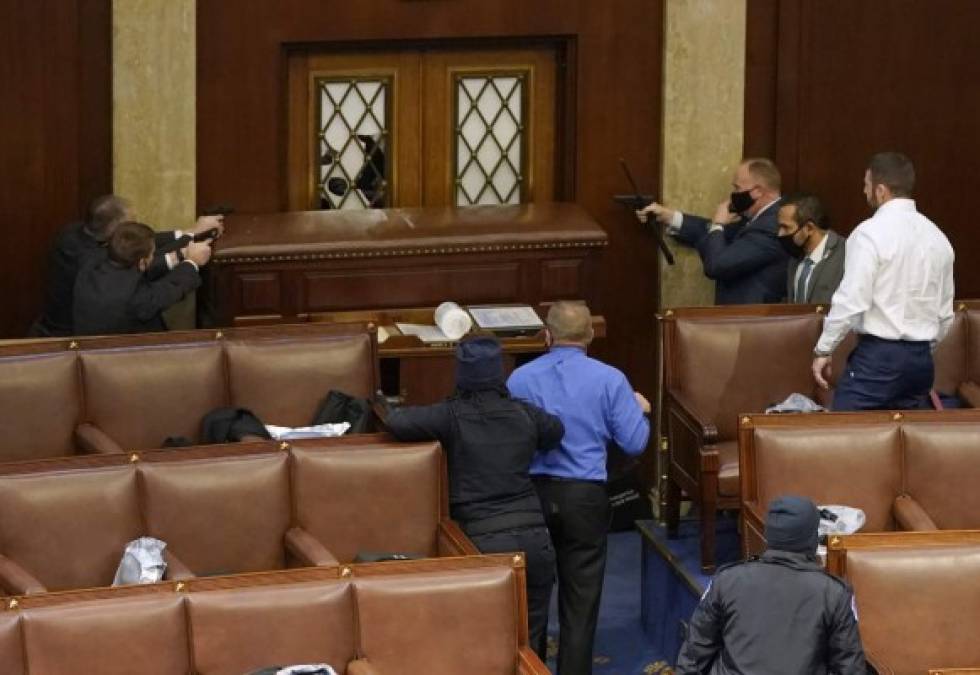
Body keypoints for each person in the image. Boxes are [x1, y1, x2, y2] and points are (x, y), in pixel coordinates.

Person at [381, 335, 562, 661]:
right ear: (499, 373)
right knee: (532, 644)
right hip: (535, 539)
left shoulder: (450, 416)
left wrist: (381, 402)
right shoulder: (524, 414)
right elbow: (555, 431)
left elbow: (397, 422)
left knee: (484, 642)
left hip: (481, 540)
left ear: (461, 374)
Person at [507, 301, 650, 675]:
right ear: (589, 335)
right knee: (581, 600)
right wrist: (641, 411)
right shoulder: (610, 379)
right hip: (584, 498)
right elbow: (634, 444)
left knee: (532, 598)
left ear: (546, 336)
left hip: (531, 497)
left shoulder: (518, 380)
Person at [812, 152, 955, 410]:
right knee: (906, 443)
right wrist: (918, 348)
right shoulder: (939, 238)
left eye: (866, 186)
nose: (864, 192)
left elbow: (852, 299)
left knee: (844, 438)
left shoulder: (869, 234)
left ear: (880, 191)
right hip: (921, 361)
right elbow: (945, 315)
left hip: (879, 358)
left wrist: (824, 350)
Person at [675, 495, 866, 674]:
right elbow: (850, 668)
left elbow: (693, 656)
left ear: (768, 535)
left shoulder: (727, 580)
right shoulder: (834, 593)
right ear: (812, 538)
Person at [30, 194, 224, 337]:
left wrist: (189, 234)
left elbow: (137, 245)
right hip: (73, 340)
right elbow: (165, 290)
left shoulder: (78, 237)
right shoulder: (89, 262)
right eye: (132, 224)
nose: (135, 228)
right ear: (115, 234)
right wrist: (190, 260)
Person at [637, 158, 789, 304]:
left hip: (752, 322)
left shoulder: (772, 225)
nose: (733, 194)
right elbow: (714, 234)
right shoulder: (757, 218)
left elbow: (717, 265)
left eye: (737, 188)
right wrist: (671, 217)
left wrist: (718, 224)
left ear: (757, 191)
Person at [72, 221, 212, 335]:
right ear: (141, 262)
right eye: (152, 254)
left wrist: (182, 252)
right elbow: (170, 288)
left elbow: (138, 266)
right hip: (127, 359)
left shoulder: (91, 261)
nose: (154, 256)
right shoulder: (135, 297)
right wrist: (192, 261)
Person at [777, 193, 846, 304]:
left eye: (786, 227)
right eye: (779, 227)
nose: (780, 234)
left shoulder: (845, 255)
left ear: (809, 228)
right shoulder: (795, 256)